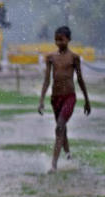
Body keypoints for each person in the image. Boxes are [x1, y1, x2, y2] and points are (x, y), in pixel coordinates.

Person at [38, 26, 91, 173]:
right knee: (62, 130)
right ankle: (69, 157)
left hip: (69, 97)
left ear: (68, 39)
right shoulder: (51, 58)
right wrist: (41, 100)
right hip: (55, 98)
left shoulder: (74, 58)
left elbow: (80, 79)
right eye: (56, 39)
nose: (58, 42)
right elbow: (47, 80)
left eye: (61, 39)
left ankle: (53, 165)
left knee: (59, 126)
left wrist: (87, 100)